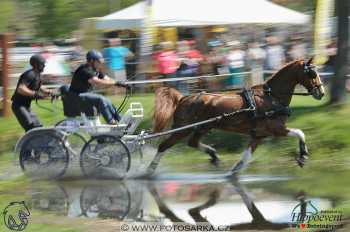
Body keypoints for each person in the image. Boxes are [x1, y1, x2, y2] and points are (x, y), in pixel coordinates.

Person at [69, 49, 129, 124]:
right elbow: (97, 81)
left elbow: (107, 79)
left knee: (107, 100)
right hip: (77, 96)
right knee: (101, 99)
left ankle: (121, 120)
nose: (100, 64)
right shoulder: (85, 70)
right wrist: (114, 83)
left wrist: (120, 84)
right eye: (99, 62)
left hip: (85, 96)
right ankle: (111, 122)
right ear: (91, 61)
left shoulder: (96, 70)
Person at [11, 54, 52, 131]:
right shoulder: (30, 74)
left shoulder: (37, 75)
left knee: (38, 126)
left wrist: (50, 92)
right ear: (36, 64)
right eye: (42, 64)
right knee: (31, 127)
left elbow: (39, 87)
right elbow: (21, 88)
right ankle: (28, 142)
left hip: (26, 106)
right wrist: (35, 94)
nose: (44, 66)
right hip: (19, 106)